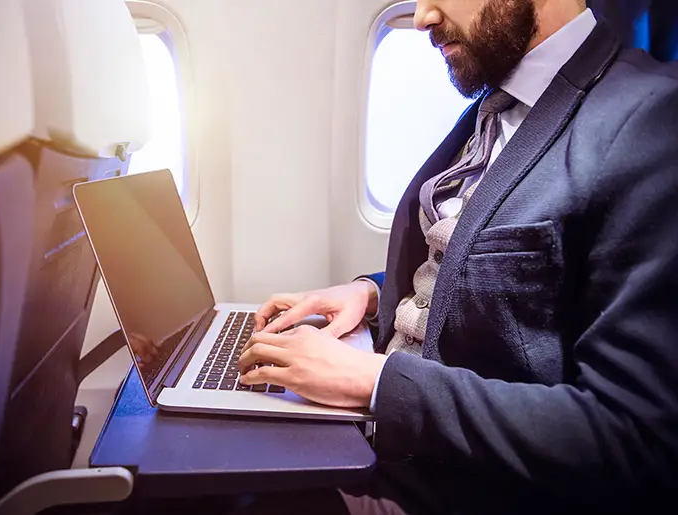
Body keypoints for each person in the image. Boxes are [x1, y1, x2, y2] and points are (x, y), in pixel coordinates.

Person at [236, 0, 678, 513]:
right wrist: (374, 295)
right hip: (388, 449)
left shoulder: (649, 122)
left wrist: (372, 383)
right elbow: (512, 290)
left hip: (449, 488)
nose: (422, 16)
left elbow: (637, 437)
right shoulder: (504, 103)